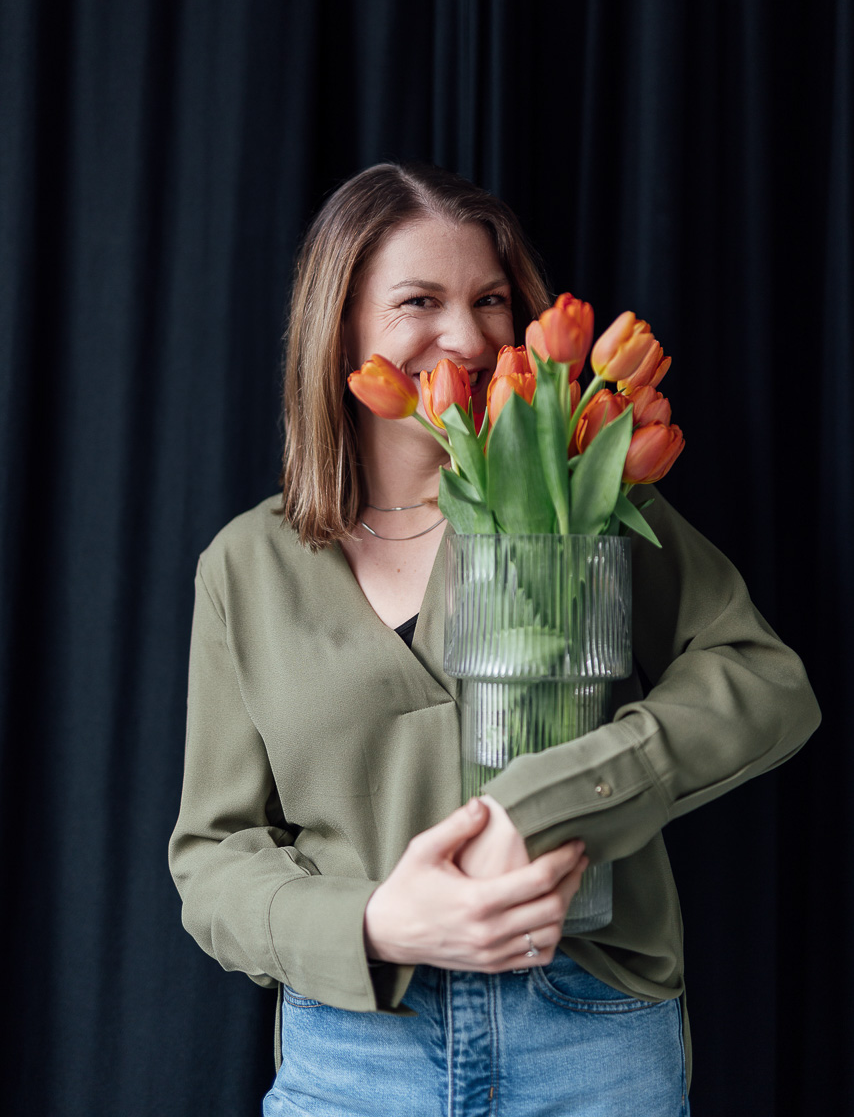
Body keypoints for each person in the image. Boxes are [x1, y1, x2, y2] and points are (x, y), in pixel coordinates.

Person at [169, 162, 820, 1117]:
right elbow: (214, 855)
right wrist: (373, 922)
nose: (468, 336)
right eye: (419, 301)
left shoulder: (586, 498)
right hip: (355, 1052)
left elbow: (764, 682)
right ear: (341, 325)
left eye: (491, 301)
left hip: (590, 1031)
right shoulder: (245, 567)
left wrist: (548, 803)